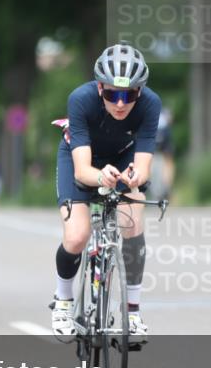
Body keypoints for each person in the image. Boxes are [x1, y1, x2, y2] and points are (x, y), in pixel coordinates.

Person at [50, 42, 161, 344]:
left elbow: (144, 166)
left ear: (140, 92)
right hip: (82, 158)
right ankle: (62, 301)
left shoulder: (151, 104)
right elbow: (82, 170)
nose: (121, 103)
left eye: (130, 95)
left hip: (123, 157)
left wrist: (133, 177)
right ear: (100, 88)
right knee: (76, 236)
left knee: (133, 224)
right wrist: (101, 176)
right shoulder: (81, 100)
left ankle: (133, 312)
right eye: (113, 94)